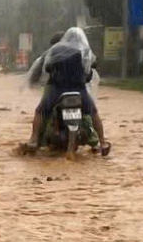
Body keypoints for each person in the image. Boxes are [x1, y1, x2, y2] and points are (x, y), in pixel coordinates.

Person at [22, 26, 110, 154]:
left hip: (57, 90)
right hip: (79, 90)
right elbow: (89, 69)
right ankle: (102, 142)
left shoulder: (56, 50)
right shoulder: (83, 50)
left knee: (40, 111)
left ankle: (34, 138)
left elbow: (47, 68)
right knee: (93, 112)